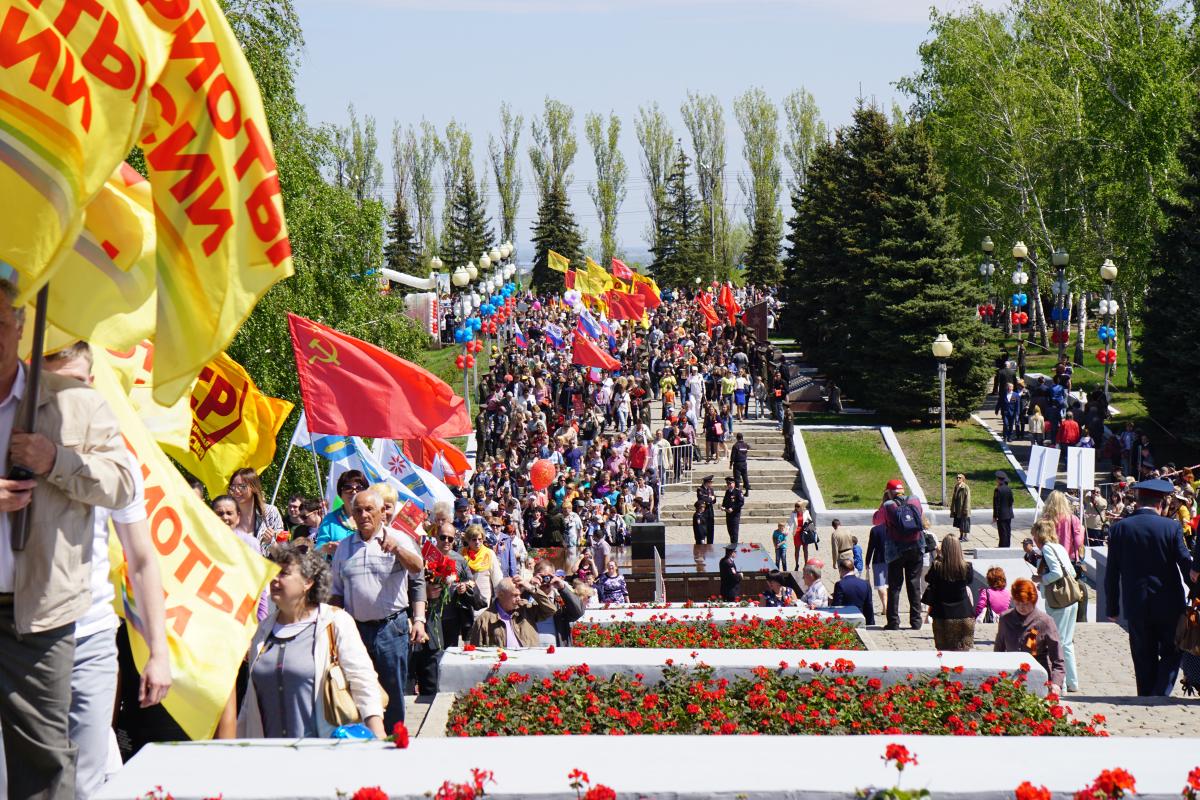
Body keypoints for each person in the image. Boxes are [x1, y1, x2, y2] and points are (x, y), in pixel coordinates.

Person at [0, 281, 137, 800]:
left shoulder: (76, 404)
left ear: (18, 329)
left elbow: (122, 483)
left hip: (42, 615)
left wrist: (55, 460)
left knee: (44, 770)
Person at [43, 343, 171, 800]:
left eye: (76, 383)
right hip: (23, 637)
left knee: (87, 781)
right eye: (56, 386)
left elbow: (141, 559)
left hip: (91, 636)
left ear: (93, 385)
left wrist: (159, 651)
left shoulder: (119, 465)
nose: (68, 398)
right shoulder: (15, 448)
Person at [238, 543, 384, 739]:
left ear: (308, 582)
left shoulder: (336, 622)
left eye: (283, 573)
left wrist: (378, 734)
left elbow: (363, 682)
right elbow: (251, 702)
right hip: (268, 757)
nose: (274, 579)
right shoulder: (262, 631)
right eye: (273, 571)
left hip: (323, 753)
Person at [330, 489, 427, 726]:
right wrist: (332, 630)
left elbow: (418, 569)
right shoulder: (344, 547)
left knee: (392, 691)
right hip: (355, 630)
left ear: (382, 512)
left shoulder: (398, 539)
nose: (363, 515)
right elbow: (336, 592)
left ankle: (394, 741)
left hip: (390, 629)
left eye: (368, 509)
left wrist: (397, 550)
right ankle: (366, 740)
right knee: (359, 689)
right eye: (358, 510)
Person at [1105, 477, 1192, 696]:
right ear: (1161, 503)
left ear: (1137, 500)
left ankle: (1145, 696)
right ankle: (1159, 693)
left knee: (1143, 654)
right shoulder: (1171, 527)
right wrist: (1195, 588)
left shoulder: (1119, 529)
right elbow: (1185, 564)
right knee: (1173, 650)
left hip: (1136, 603)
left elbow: (1112, 572)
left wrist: (1112, 608)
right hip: (1170, 603)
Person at [1033, 519, 1080, 692]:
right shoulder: (1059, 547)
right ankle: (1072, 682)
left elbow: (1056, 572)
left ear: (1039, 534)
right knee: (1067, 642)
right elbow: (1071, 572)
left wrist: (1041, 580)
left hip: (1058, 601)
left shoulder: (1046, 548)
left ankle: (1060, 683)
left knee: (1056, 641)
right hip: (1071, 597)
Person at [994, 579, 1066, 693]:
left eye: (1026, 604)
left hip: (1038, 677)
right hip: (1011, 676)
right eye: (1018, 603)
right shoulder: (1005, 619)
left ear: (1033, 601)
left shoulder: (1045, 622)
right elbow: (998, 650)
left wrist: (1056, 683)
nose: (1022, 607)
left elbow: (1058, 658)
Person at [875, 479, 925, 631]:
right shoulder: (915, 501)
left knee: (895, 586)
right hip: (916, 547)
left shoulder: (888, 506)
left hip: (896, 550)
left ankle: (893, 622)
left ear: (889, 492)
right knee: (914, 584)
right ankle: (916, 622)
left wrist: (884, 502)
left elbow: (876, 520)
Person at [468, 576, 557, 648]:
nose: (519, 598)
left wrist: (531, 588)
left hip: (529, 664)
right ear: (501, 595)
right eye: (515, 595)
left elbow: (551, 609)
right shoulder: (484, 620)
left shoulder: (525, 608)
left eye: (519, 595)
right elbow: (476, 652)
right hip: (501, 667)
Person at [921, 534, 975, 651]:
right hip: (964, 614)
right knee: (963, 654)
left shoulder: (937, 567)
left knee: (944, 653)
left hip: (942, 615)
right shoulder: (967, 567)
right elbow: (969, 581)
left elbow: (928, 579)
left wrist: (938, 556)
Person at [228, 467, 285, 554]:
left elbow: (282, 555)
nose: (236, 490)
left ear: (254, 488)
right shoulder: (227, 515)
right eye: (233, 486)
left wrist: (270, 542)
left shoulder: (270, 513)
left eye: (242, 486)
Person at [529, 559, 584, 646]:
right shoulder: (528, 599)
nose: (545, 581)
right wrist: (529, 587)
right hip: (532, 651)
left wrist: (563, 588)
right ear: (534, 576)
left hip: (558, 652)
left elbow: (578, 612)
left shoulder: (560, 600)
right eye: (541, 577)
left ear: (554, 576)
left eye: (548, 577)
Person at [315, 470, 368, 556]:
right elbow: (317, 551)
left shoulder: (373, 516)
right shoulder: (330, 520)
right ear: (340, 493)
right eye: (348, 488)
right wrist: (326, 548)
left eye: (359, 488)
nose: (354, 492)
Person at [462, 524, 505, 609]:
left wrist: (500, 600)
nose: (477, 542)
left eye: (480, 539)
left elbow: (497, 578)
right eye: (474, 539)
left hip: (483, 600)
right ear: (468, 540)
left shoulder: (489, 554)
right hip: (466, 599)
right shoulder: (461, 553)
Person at [1043, 490, 1085, 564]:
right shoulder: (1073, 518)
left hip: (1051, 558)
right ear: (1065, 503)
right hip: (1069, 557)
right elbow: (1078, 542)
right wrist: (1082, 530)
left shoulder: (1045, 520)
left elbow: (1039, 540)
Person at [831, 557, 875, 625]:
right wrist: (870, 623)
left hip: (845, 619)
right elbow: (869, 605)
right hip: (861, 618)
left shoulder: (840, 584)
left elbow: (837, 605)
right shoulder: (865, 584)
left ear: (841, 570)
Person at [865, 522, 888, 616]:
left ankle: (885, 606)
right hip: (893, 559)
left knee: (881, 585)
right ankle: (888, 606)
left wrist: (867, 560)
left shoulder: (875, 530)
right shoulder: (894, 527)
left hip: (879, 559)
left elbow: (871, 547)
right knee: (890, 584)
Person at [993, 471, 1015, 548]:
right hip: (1008, 513)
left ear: (999, 480)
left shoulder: (998, 490)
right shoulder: (1009, 489)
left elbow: (996, 504)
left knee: (1002, 531)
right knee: (1008, 530)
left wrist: (995, 516)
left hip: (1001, 514)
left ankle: (1002, 545)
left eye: (997, 479)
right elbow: (1011, 501)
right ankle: (1007, 545)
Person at [721, 476, 744, 545]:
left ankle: (734, 546)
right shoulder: (727, 492)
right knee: (730, 530)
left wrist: (733, 508)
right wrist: (723, 506)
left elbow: (741, 503)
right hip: (728, 514)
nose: (729, 485)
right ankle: (732, 544)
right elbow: (725, 501)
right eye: (728, 484)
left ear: (734, 483)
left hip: (735, 515)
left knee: (734, 531)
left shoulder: (738, 492)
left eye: (731, 483)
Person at [950, 473, 971, 542]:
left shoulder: (965, 487)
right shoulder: (956, 486)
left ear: (963, 479)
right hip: (958, 508)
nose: (958, 479)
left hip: (963, 509)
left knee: (964, 523)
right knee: (959, 523)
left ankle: (965, 536)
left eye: (960, 478)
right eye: (957, 478)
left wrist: (966, 509)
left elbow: (967, 499)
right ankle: (961, 535)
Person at [696, 475, 716, 543]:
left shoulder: (711, 489)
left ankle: (710, 545)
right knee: (703, 530)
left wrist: (709, 499)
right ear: (707, 482)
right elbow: (702, 499)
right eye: (710, 482)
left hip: (710, 512)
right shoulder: (700, 489)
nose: (711, 484)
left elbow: (714, 500)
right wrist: (710, 498)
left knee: (711, 531)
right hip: (704, 513)